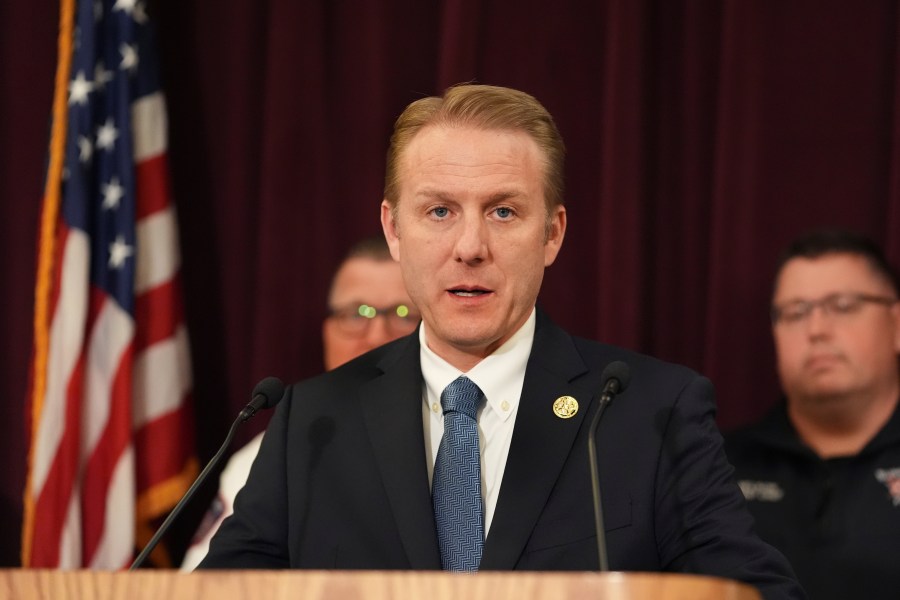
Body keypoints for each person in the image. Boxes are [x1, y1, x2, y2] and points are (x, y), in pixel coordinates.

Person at [200, 83, 804, 599]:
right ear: (393, 230)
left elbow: (754, 593)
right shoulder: (314, 421)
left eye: (503, 212)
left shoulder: (651, 412)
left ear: (552, 233)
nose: (469, 247)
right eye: (438, 211)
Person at [180, 235, 419, 570]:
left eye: (403, 314)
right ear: (326, 331)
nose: (376, 334)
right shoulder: (277, 454)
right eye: (356, 314)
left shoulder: (457, 433)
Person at [724, 229, 900, 600]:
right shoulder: (714, 467)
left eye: (843, 306)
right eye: (796, 312)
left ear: (896, 323)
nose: (817, 329)